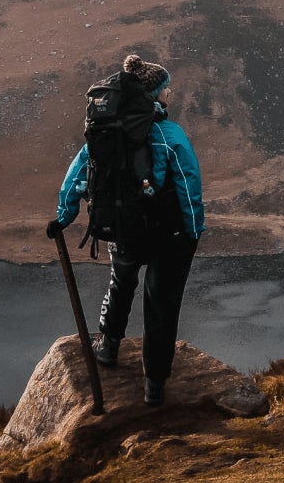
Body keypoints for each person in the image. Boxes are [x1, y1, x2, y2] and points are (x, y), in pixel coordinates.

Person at [48, 53, 204, 407]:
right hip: (168, 236)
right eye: (166, 89)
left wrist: (62, 216)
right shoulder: (169, 134)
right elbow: (188, 185)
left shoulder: (107, 134)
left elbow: (76, 176)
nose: (170, 94)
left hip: (124, 229)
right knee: (161, 305)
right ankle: (154, 384)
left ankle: (108, 348)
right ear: (154, 94)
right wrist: (194, 230)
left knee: (121, 283)